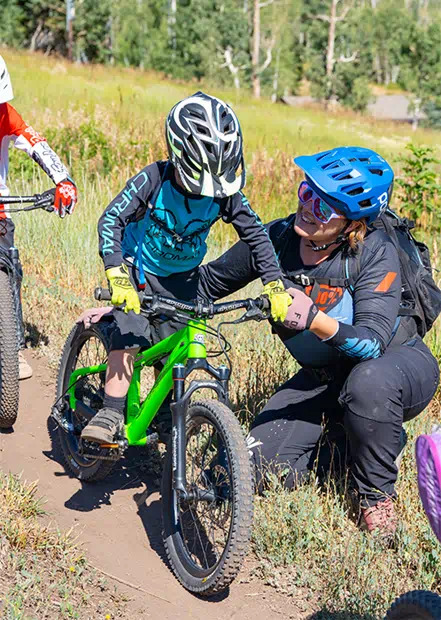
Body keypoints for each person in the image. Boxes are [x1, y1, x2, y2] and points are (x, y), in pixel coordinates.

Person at [198, 146, 440, 539]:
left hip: (397, 367)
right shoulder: (276, 240)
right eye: (305, 193)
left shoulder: (375, 253)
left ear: (351, 224)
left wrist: (314, 318)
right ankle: (351, 444)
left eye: (323, 208)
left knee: (367, 384)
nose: (308, 209)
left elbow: (372, 344)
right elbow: (206, 285)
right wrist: (137, 301)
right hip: (325, 377)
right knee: (234, 473)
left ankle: (376, 496)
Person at [80, 91, 291, 444]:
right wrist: (117, 274)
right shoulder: (154, 179)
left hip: (182, 277)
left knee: (173, 351)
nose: (210, 188)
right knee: (130, 339)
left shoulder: (224, 192)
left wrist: (274, 284)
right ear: (179, 155)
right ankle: (111, 410)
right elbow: (110, 220)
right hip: (138, 272)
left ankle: (163, 415)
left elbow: (256, 235)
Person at [0, 55, 77, 379]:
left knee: (10, 269)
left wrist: (63, 180)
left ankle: (12, 349)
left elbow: (36, 143)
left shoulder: (5, 114)